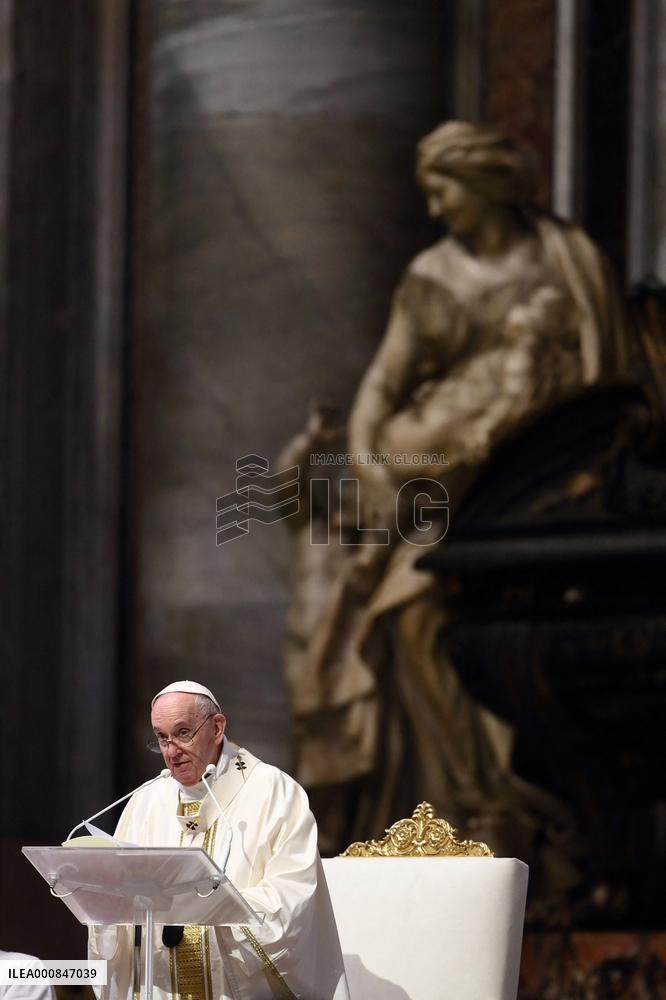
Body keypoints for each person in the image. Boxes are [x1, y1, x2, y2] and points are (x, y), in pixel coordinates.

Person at [283, 121, 631, 914]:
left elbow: (614, 382)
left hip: (550, 489)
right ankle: (449, 805)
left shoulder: (570, 264)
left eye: (444, 189)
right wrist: (371, 466)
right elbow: (381, 390)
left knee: (454, 607)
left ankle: (513, 807)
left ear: (487, 184)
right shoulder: (431, 275)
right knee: (407, 614)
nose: (436, 208)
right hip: (437, 482)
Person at [88, 680, 349, 1000]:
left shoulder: (274, 792)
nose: (171, 751)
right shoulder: (147, 800)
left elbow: (292, 898)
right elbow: (118, 909)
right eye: (162, 738)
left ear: (217, 727)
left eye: (183, 733)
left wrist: (203, 909)